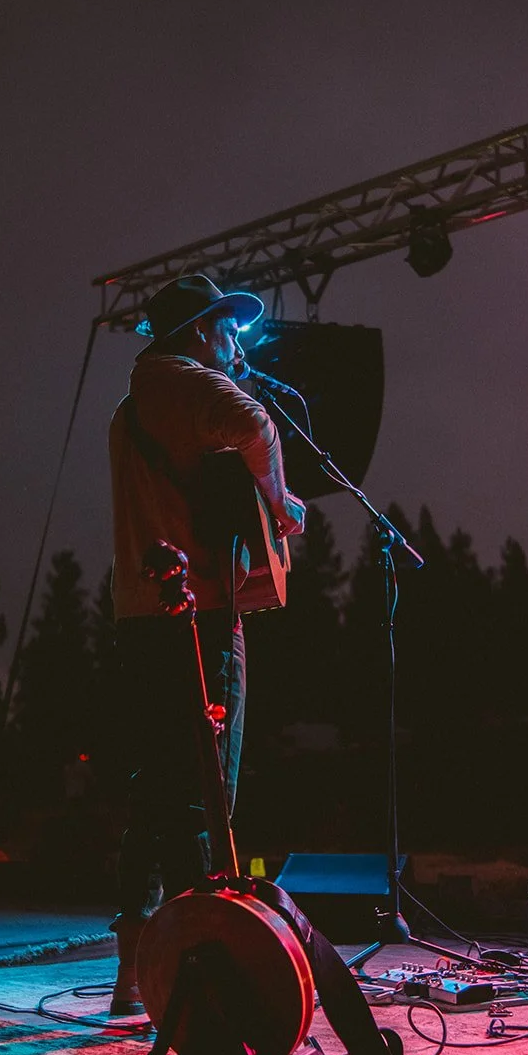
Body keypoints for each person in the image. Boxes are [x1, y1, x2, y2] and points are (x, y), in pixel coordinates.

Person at [107, 274, 306, 1015]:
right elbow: (253, 424)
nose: (234, 341)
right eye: (225, 327)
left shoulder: (131, 410)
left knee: (154, 792)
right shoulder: (185, 384)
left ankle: (133, 978)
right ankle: (202, 971)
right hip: (197, 619)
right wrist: (281, 507)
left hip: (139, 618)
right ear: (197, 331)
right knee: (204, 793)